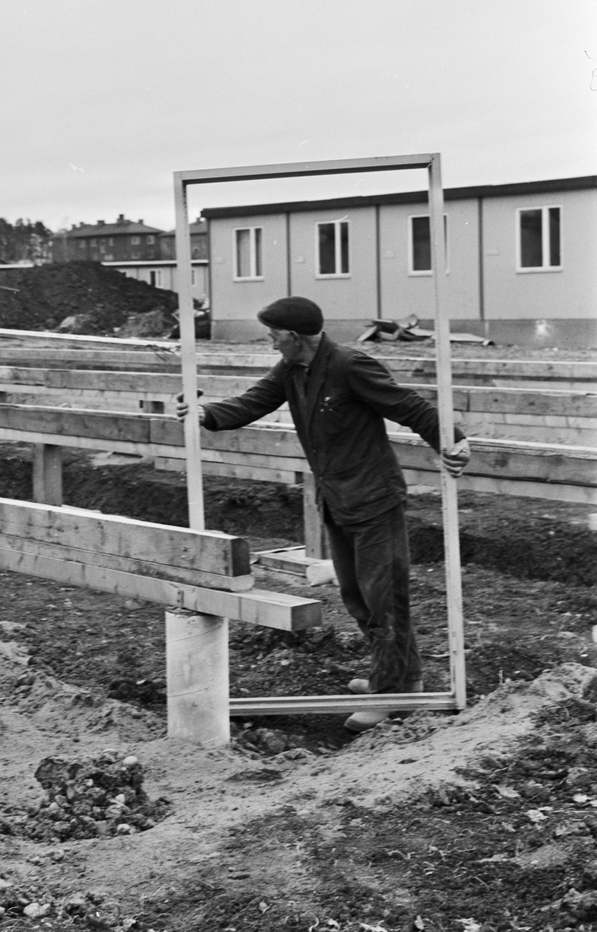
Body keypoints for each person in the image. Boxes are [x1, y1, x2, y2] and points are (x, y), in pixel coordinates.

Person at [178, 296, 471, 733]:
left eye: (274, 335)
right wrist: (206, 413)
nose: (271, 342)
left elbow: (410, 406)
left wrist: (455, 441)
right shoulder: (292, 370)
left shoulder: (350, 365)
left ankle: (391, 693)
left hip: (374, 501)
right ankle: (400, 678)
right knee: (358, 598)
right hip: (336, 501)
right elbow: (254, 401)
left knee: (384, 599)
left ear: (294, 337)